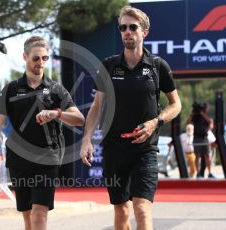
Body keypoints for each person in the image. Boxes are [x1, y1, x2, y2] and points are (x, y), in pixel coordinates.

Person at [80, 6, 181, 230]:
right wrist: (86, 139)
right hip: (114, 149)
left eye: (132, 27)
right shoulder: (108, 66)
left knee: (142, 208)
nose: (127, 32)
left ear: (144, 31)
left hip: (145, 150)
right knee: (121, 210)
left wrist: (156, 122)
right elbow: (97, 107)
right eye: (123, 28)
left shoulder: (157, 66)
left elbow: (176, 105)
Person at [0, 36, 84, 230]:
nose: (41, 63)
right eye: (36, 58)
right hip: (18, 159)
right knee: (28, 218)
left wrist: (56, 113)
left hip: (47, 158)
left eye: (45, 58)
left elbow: (79, 119)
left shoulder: (56, 89)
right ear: (25, 56)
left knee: (39, 214)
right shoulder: (11, 90)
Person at [187, 102, 215, 178]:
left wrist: (202, 114)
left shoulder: (206, 117)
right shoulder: (195, 117)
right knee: (197, 156)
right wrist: (192, 114)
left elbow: (210, 123)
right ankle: (198, 173)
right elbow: (188, 123)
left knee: (207, 156)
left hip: (204, 138)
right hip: (196, 138)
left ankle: (209, 173)